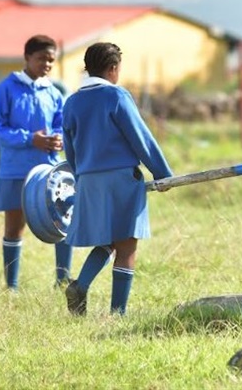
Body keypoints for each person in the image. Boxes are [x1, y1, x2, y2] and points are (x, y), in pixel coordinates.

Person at [60, 42, 173, 316]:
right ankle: (117, 314)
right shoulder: (116, 96)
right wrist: (162, 173)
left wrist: (81, 176)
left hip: (88, 179)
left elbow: (69, 146)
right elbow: (140, 137)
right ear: (113, 68)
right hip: (121, 178)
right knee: (126, 244)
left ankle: (80, 284)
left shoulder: (72, 102)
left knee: (107, 240)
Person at [0, 34, 72, 290]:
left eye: (51, 60)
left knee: (61, 223)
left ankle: (62, 279)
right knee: (14, 227)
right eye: (41, 59)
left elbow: (60, 123)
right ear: (27, 57)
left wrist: (58, 139)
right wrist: (29, 139)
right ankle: (11, 285)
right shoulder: (7, 88)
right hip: (16, 169)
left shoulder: (54, 92)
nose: (47, 64)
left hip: (49, 171)